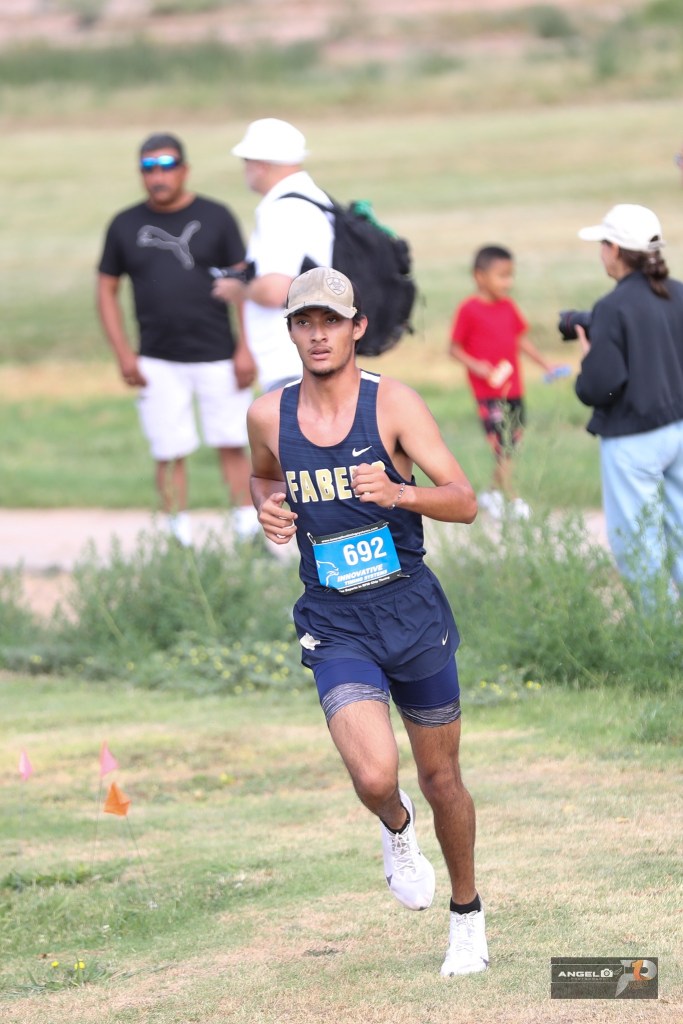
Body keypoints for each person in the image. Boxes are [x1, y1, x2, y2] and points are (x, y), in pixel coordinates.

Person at [247, 266, 489, 978]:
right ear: (291, 331)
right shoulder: (268, 415)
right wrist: (266, 509)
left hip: (410, 612)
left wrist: (400, 493)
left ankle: (467, 916)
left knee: (441, 777)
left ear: (357, 327)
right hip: (335, 620)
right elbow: (263, 474)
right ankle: (395, 825)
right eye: (304, 322)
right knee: (376, 776)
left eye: (331, 321)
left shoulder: (394, 405)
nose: (318, 335)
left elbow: (464, 500)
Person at [97, 132, 259, 546]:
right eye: (149, 168)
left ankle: (247, 533)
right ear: (141, 173)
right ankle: (177, 538)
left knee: (233, 442)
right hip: (157, 359)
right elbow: (106, 289)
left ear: (184, 170)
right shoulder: (124, 224)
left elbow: (242, 284)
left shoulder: (216, 216)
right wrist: (124, 354)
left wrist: (246, 347)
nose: (158, 176)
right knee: (168, 450)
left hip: (219, 355)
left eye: (167, 166)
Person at [574, 204, 683, 604]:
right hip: (678, 428)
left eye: (603, 244)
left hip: (633, 439)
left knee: (638, 546)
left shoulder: (613, 306)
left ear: (615, 249)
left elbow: (599, 387)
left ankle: (661, 633)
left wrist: (588, 361)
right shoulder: (678, 292)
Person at [211, 118, 334, 393]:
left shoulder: (282, 210)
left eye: (246, 160)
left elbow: (275, 290)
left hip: (291, 361)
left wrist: (240, 290)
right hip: (314, 355)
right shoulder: (312, 198)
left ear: (261, 164)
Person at [448, 244, 561, 519]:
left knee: (512, 445)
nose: (508, 282)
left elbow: (521, 340)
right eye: (502, 276)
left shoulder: (509, 307)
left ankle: (491, 494)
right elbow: (454, 348)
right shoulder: (469, 309)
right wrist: (477, 366)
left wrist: (546, 364)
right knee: (503, 446)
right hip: (488, 394)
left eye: (510, 276)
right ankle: (512, 498)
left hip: (514, 391)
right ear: (479, 276)